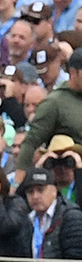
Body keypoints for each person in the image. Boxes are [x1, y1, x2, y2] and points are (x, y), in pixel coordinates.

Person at [16, 48, 82, 183]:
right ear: (73, 72)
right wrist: (19, 183)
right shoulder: (55, 102)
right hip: (69, 177)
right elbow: (30, 143)